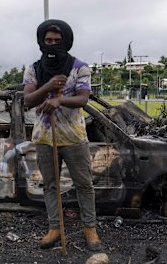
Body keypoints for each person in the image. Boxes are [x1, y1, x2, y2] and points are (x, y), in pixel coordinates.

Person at [22, 19, 102, 251]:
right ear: (41, 42)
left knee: (84, 184)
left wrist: (59, 100)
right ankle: (55, 228)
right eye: (48, 40)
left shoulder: (80, 67)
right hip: (45, 139)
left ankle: (90, 229)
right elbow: (28, 100)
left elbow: (83, 98)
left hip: (74, 138)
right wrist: (48, 87)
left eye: (58, 41)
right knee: (50, 185)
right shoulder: (33, 69)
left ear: (66, 41)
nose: (53, 44)